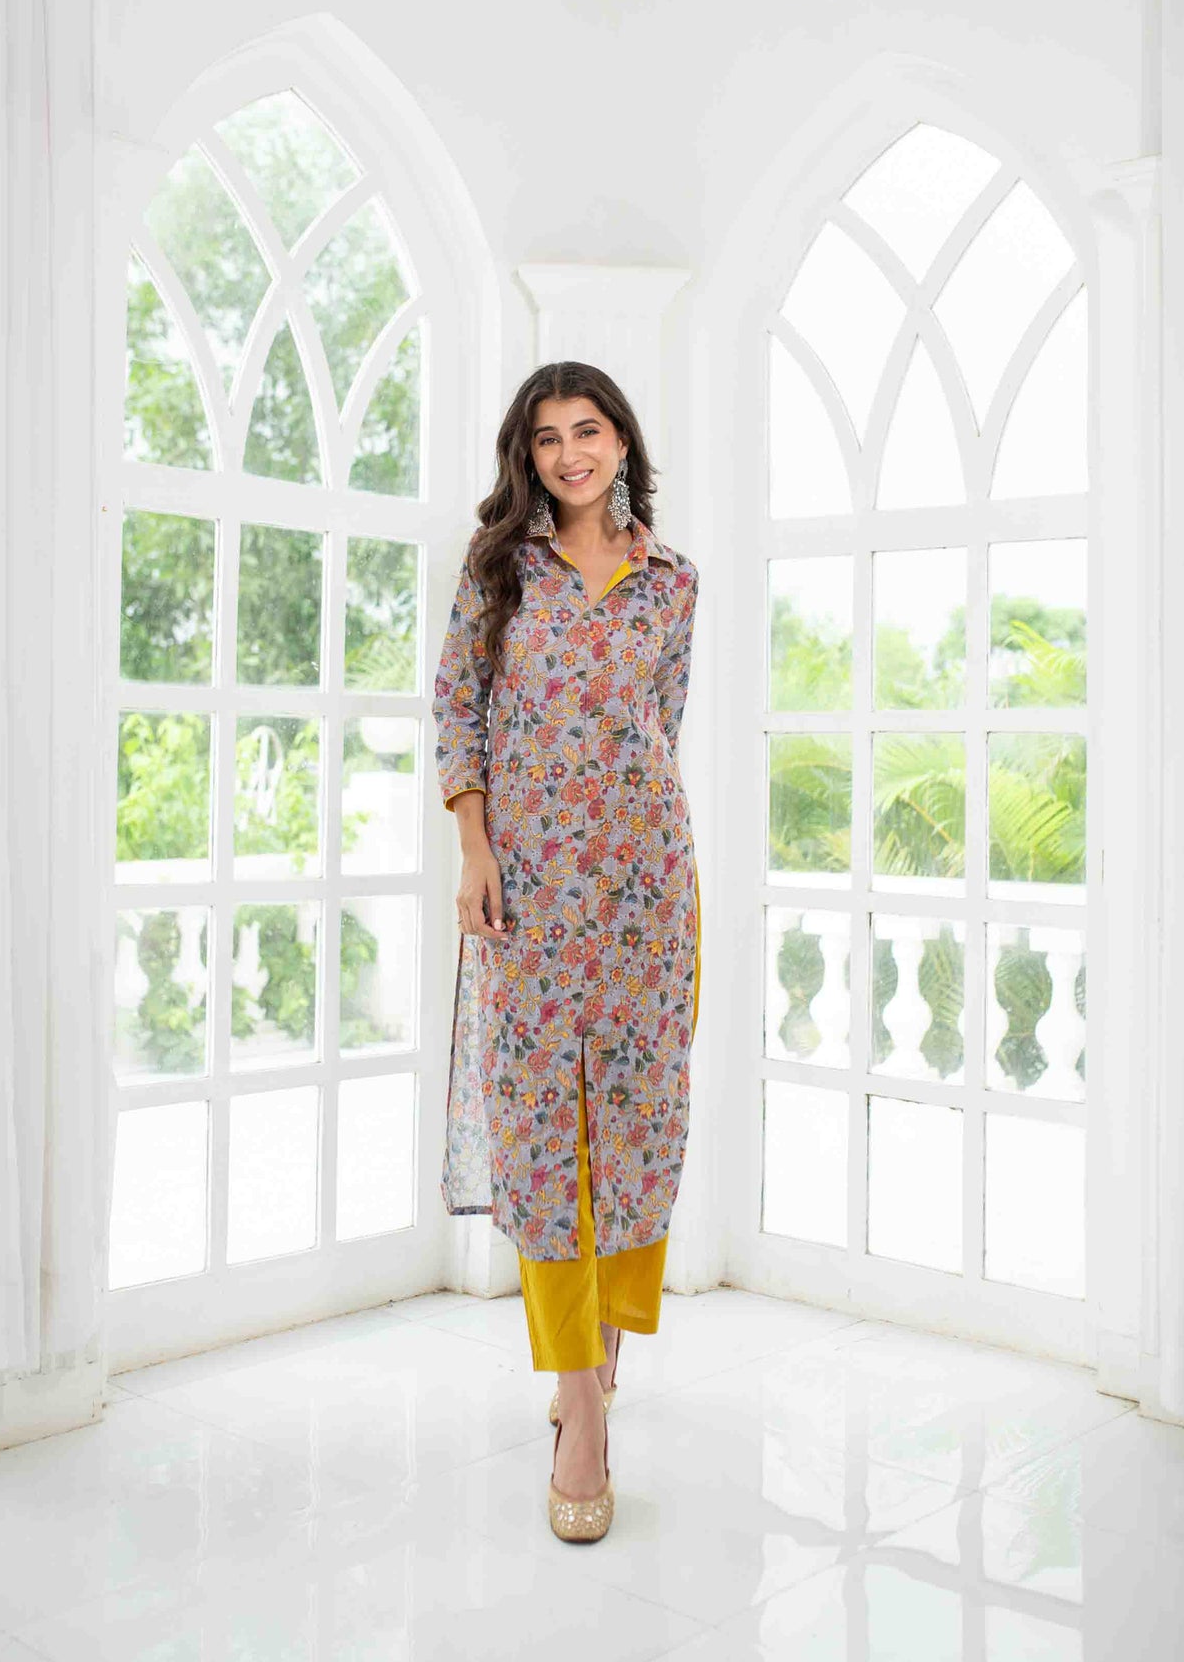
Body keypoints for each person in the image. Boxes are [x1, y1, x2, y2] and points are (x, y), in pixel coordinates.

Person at [431, 360, 701, 1543]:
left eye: (588, 431)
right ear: (527, 457)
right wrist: (475, 847)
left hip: (646, 894)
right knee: (544, 1131)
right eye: (547, 439)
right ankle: (580, 1410)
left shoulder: (674, 584)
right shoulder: (500, 569)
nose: (570, 454)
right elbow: (458, 709)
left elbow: (660, 731)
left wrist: (638, 851)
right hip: (531, 894)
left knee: (635, 1121)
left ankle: (598, 1351)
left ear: (622, 442)